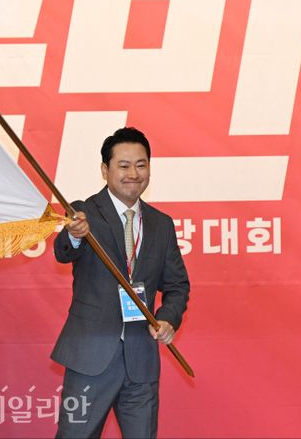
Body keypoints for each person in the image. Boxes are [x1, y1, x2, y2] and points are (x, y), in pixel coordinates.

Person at [52, 127, 190, 438]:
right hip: (90, 360)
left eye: (141, 165)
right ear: (105, 170)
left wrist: (168, 319)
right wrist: (75, 235)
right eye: (124, 165)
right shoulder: (84, 213)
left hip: (141, 361)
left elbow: (177, 285)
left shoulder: (161, 224)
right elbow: (63, 252)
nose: (133, 174)